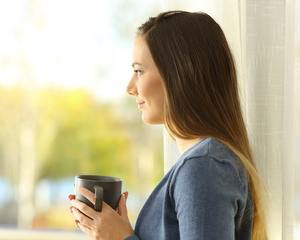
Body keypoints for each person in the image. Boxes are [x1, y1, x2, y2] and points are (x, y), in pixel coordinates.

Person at [69, 10, 268, 240]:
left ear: (180, 73)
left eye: (138, 71)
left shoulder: (204, 165)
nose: (129, 87)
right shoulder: (204, 162)